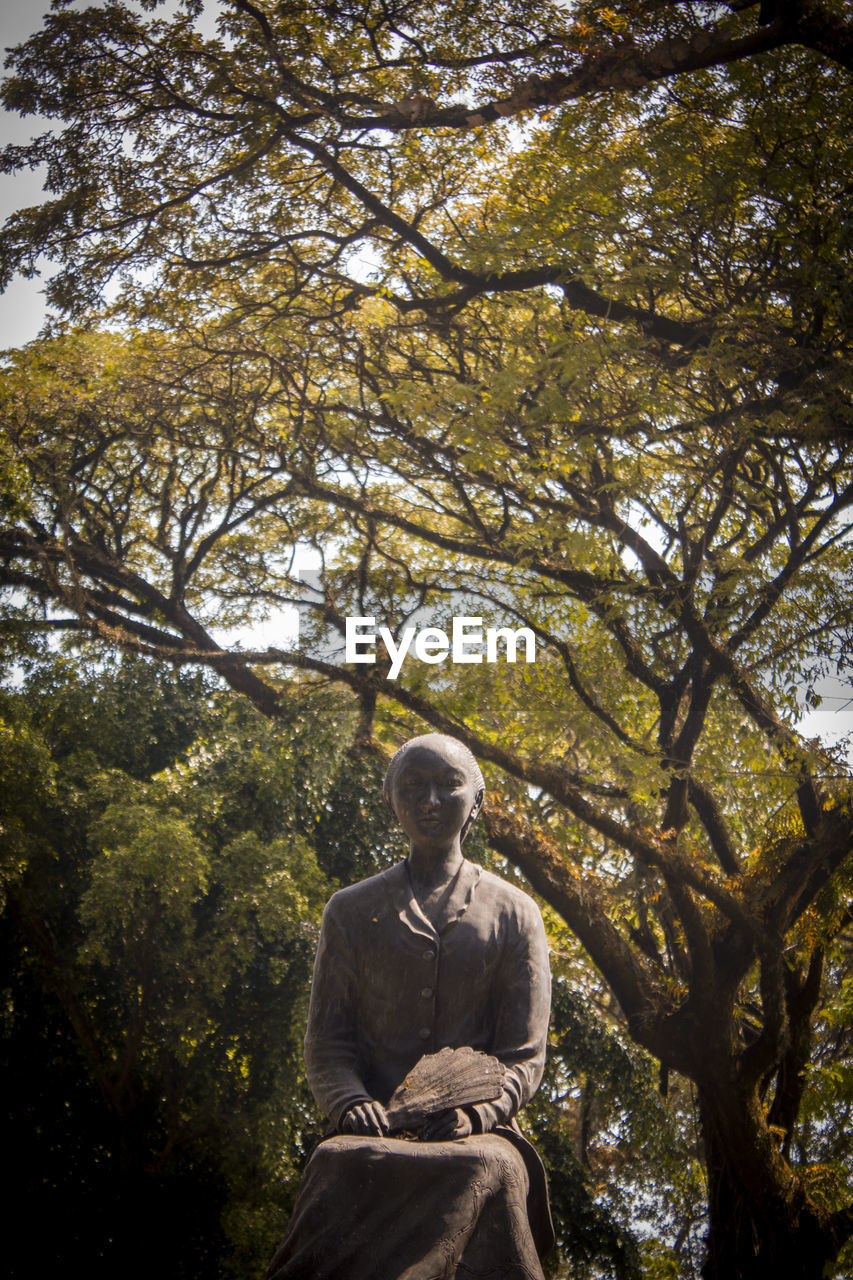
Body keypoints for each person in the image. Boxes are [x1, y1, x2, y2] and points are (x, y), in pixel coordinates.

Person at [266, 733, 553, 1280]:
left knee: (485, 1164)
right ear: (390, 799)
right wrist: (351, 1103)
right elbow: (328, 1045)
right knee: (337, 1160)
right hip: (373, 1130)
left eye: (449, 785)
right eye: (413, 786)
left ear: (478, 799)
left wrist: (477, 1115)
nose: (430, 801)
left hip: (478, 1135)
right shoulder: (350, 911)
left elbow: (524, 1056)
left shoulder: (516, 914)